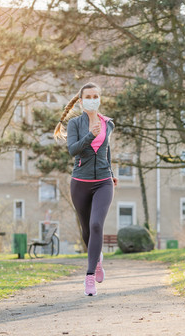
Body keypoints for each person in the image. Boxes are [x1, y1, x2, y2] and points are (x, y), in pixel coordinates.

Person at [53, 82, 118, 296]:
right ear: (81, 102)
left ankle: (89, 276)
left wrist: (111, 171)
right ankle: (96, 256)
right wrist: (90, 134)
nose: (92, 99)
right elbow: (73, 150)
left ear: (100, 98)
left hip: (103, 182)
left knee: (97, 224)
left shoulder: (108, 123)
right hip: (80, 183)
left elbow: (106, 151)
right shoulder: (75, 124)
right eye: (88, 96)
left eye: (95, 95)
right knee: (87, 230)